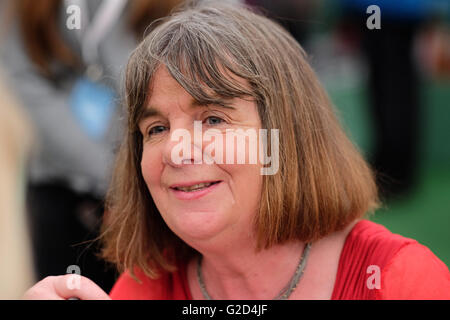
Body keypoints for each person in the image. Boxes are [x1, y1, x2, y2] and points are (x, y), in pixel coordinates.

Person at [23, 2, 450, 300]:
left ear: (285, 137)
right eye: (155, 128)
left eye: (213, 119)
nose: (176, 149)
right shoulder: (143, 289)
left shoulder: (400, 281)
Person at [0, 0, 183, 292]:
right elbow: (25, 82)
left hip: (153, 199)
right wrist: (114, 179)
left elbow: (195, 82)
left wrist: (131, 184)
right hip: (61, 199)